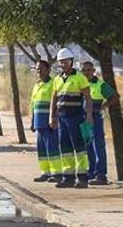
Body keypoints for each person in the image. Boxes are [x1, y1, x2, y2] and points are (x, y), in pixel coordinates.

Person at [49, 47, 93, 188]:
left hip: (76, 117)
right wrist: (52, 117)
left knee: (79, 147)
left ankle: (82, 178)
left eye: (65, 61)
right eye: (61, 62)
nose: (63, 64)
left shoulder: (79, 77)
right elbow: (53, 100)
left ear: (71, 61)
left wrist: (89, 116)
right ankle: (68, 177)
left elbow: (88, 98)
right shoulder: (57, 79)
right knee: (65, 147)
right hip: (62, 117)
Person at [81, 60, 120, 185]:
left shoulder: (100, 84)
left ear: (94, 71)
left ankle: (101, 175)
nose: (86, 72)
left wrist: (104, 106)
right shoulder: (81, 84)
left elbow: (115, 96)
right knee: (88, 146)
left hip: (96, 118)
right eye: (84, 70)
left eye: (89, 70)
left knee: (98, 146)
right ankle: (91, 172)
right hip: (84, 118)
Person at [30, 59, 61, 182]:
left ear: (48, 70)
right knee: (41, 149)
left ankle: (56, 173)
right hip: (39, 122)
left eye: (42, 69)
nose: (39, 71)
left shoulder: (53, 84)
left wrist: (54, 118)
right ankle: (45, 172)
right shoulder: (36, 85)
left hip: (49, 123)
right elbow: (33, 105)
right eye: (37, 69)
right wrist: (32, 121)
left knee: (52, 147)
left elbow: (56, 104)